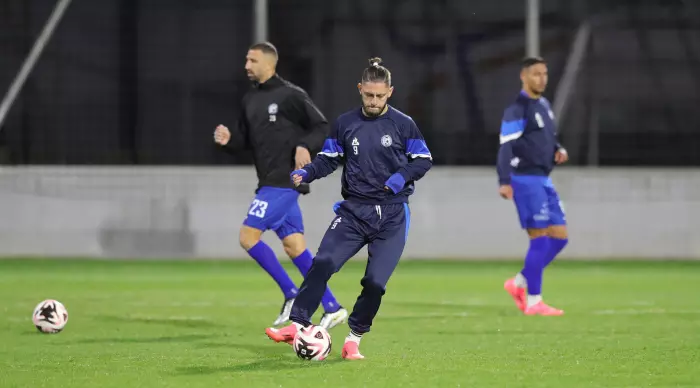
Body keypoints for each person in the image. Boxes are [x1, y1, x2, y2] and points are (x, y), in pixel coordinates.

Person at [265, 57, 433, 360]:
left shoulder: (403, 124)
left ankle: (353, 339)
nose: (374, 101)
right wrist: (308, 172)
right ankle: (298, 323)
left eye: (380, 96)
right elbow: (329, 159)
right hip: (354, 212)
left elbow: (423, 159)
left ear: (390, 92)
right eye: (369, 95)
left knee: (375, 283)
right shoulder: (345, 123)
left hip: (392, 216)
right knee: (323, 262)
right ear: (360, 90)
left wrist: (400, 177)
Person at [214, 42, 347, 329]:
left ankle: (291, 293)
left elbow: (321, 126)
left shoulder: (291, 95)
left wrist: (303, 145)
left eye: (252, 60)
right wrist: (228, 143)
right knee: (294, 246)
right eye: (246, 59)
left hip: (285, 180)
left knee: (248, 237)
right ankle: (332, 307)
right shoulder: (250, 100)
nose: (246, 65)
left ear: (270, 63)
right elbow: (247, 142)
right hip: (268, 180)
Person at [497, 56, 570, 316]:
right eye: (536, 74)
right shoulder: (518, 109)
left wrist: (558, 149)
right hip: (524, 179)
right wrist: (504, 180)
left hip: (543, 178)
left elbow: (548, 137)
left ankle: (518, 283)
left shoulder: (544, 105)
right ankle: (534, 301)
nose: (542, 78)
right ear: (524, 76)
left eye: (544, 73)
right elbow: (505, 147)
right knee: (539, 239)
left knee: (560, 237)